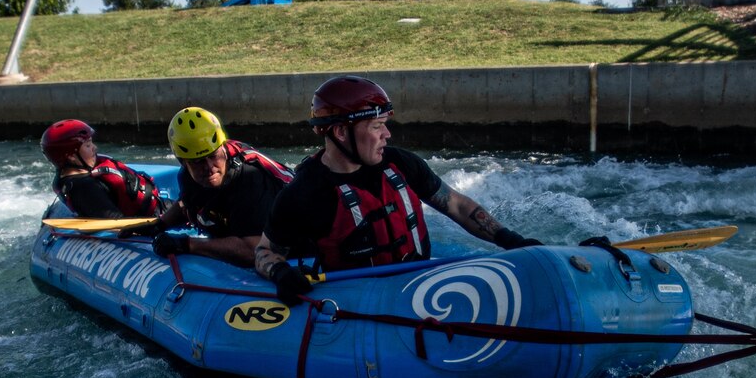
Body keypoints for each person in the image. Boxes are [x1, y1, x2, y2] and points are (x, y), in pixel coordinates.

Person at [255, 75, 540, 301]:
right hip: (357, 302)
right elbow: (265, 251)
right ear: (341, 132)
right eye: (377, 126)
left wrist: (510, 240)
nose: (387, 134)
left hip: (417, 285)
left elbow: (456, 205)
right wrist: (280, 272)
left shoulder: (400, 163)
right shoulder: (305, 193)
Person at [150, 106, 293, 267]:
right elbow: (187, 202)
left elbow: (255, 250)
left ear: (223, 148)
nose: (209, 167)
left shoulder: (250, 179)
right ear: (183, 162)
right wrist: (158, 225)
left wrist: (187, 244)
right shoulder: (187, 176)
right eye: (198, 162)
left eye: (214, 156)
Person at [41, 119, 165, 219]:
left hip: (156, 206)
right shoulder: (84, 187)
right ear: (71, 156)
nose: (95, 148)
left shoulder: (67, 177)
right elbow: (116, 222)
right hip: (155, 213)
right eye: (88, 145)